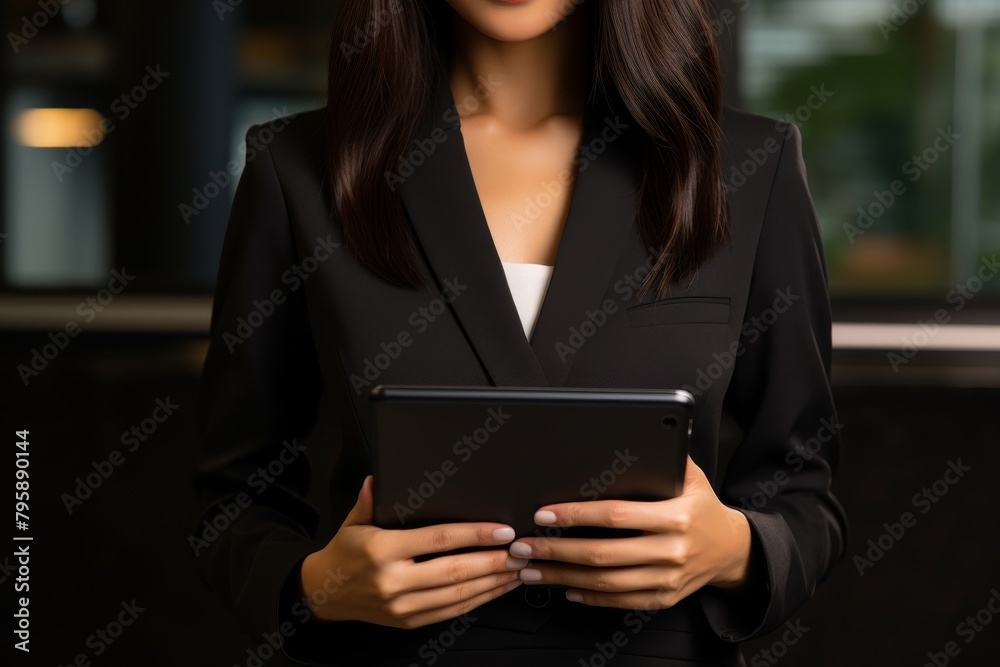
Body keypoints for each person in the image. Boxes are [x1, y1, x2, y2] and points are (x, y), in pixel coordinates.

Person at [192, 1, 848, 665]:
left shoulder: (749, 168)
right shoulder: (297, 171)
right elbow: (231, 495)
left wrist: (735, 549)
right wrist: (318, 588)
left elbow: (804, 492)